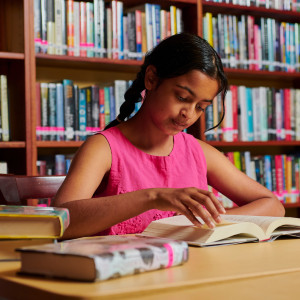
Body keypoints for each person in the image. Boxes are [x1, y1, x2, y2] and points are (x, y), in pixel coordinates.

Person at [53, 33, 285, 239]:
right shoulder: (103, 148)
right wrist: (153, 198)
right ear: (152, 79)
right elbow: (59, 221)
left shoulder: (197, 151)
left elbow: (272, 205)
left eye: (201, 107)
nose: (188, 115)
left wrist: (203, 221)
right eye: (183, 98)